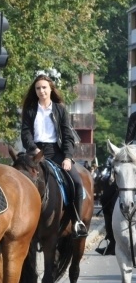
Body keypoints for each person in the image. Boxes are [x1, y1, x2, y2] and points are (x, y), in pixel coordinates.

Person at [20, 69, 88, 238]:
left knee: (77, 182)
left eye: (44, 87)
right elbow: (25, 133)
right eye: (37, 88)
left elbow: (67, 136)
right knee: (18, 176)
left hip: (55, 152)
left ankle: (77, 221)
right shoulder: (29, 110)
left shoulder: (60, 110)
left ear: (50, 88)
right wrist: (33, 148)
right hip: (34, 152)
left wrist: (67, 157)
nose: (41, 91)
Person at [98, 110, 136, 254]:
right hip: (133, 160)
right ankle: (112, 240)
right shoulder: (134, 116)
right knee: (107, 196)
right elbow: (128, 142)